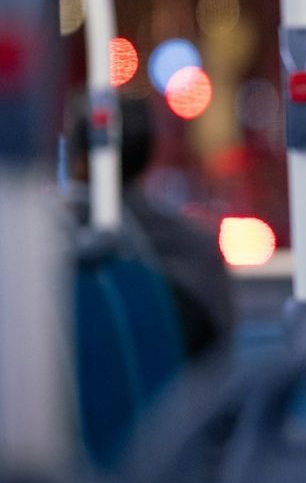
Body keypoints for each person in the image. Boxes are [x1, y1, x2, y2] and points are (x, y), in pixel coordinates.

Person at [68, 95, 234, 359]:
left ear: (79, 159)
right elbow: (220, 352)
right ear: (150, 153)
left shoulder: (61, 256)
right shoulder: (197, 248)